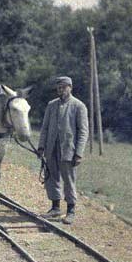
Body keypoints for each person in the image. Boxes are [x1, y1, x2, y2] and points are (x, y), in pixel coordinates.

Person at [37, 76, 88, 225]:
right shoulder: (51, 105)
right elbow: (45, 128)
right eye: (58, 88)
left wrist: (79, 153)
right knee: (51, 178)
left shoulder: (79, 106)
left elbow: (83, 132)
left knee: (69, 180)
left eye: (63, 87)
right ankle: (55, 207)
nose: (61, 90)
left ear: (70, 87)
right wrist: (41, 146)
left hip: (69, 150)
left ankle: (71, 210)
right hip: (51, 148)